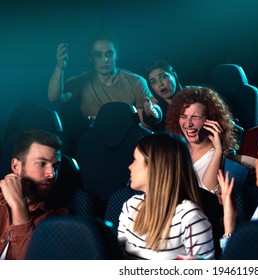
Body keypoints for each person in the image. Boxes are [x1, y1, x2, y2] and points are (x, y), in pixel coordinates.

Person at [117, 132, 215, 259]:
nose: (130, 166)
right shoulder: (130, 206)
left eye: (135, 160)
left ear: (154, 167)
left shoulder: (189, 218)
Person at [47, 30, 159, 127]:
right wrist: (59, 67)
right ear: (91, 58)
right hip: (98, 144)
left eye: (109, 54)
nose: (105, 60)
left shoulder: (136, 82)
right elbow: (55, 98)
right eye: (98, 55)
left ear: (117, 55)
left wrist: (153, 113)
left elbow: (148, 125)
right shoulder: (80, 82)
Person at [0, 129, 68, 260]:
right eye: (41, 164)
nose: (52, 174)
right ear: (16, 167)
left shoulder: (61, 218)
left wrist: (18, 206)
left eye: (56, 167)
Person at [165, 86, 240, 195]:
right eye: (184, 116)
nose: (188, 124)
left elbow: (205, 193)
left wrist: (219, 150)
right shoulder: (176, 149)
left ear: (211, 120)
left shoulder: (217, 155)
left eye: (195, 117)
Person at [142, 60, 182, 132]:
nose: (160, 84)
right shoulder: (155, 105)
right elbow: (156, 114)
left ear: (173, 74)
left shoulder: (193, 95)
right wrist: (152, 112)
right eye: (153, 82)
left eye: (163, 77)